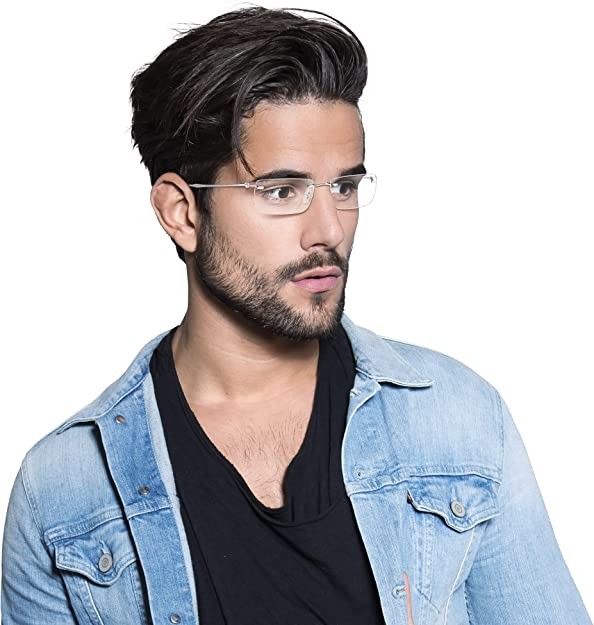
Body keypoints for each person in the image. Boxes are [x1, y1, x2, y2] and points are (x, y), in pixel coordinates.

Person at [1, 5, 591, 625]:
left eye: (345, 187)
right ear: (182, 212)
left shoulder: (458, 420)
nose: (329, 230)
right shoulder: (65, 491)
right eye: (282, 191)